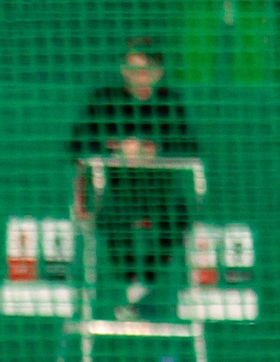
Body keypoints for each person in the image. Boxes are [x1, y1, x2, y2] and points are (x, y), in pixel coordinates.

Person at [67, 40, 199, 321]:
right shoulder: (105, 101)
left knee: (177, 218)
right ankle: (130, 283)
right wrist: (117, 147)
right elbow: (78, 146)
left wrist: (154, 149)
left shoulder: (170, 104)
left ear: (158, 72)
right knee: (111, 217)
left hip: (160, 197)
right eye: (130, 69)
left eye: (144, 70)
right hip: (115, 193)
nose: (136, 76)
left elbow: (189, 147)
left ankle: (143, 285)